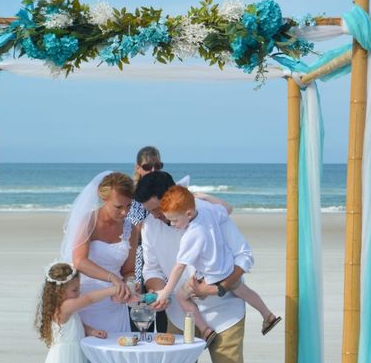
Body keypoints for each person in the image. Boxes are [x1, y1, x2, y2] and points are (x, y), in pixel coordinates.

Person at [134, 171, 254, 363]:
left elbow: (244, 257)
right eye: (151, 211)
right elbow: (151, 270)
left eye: (159, 209)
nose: (158, 216)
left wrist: (218, 288)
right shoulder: (151, 227)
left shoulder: (210, 214)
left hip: (226, 314)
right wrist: (156, 290)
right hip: (179, 314)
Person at [157, 185, 281, 342]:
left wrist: (166, 291)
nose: (172, 225)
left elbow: (180, 266)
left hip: (209, 278)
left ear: (188, 214)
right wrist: (207, 197)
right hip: (228, 270)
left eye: (174, 220)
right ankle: (268, 315)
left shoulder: (192, 235)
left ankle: (205, 330)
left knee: (182, 297)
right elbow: (228, 208)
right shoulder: (209, 212)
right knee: (244, 291)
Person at [61, 171, 138, 333]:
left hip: (115, 304)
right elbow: (80, 261)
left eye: (129, 206)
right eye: (118, 207)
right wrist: (113, 278)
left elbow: (129, 270)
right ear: (104, 199)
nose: (125, 212)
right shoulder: (89, 222)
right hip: (87, 301)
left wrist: (129, 285)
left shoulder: (130, 229)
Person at [128, 146, 167, 332]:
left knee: (165, 316)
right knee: (142, 319)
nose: (152, 171)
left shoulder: (166, 189)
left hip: (162, 257)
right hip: (139, 258)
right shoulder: (134, 195)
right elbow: (134, 230)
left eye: (157, 166)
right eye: (147, 166)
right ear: (137, 168)